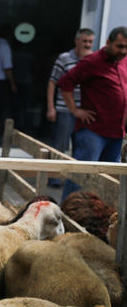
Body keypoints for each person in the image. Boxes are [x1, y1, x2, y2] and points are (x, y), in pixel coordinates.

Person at [58, 26, 127, 202]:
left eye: (126, 47)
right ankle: (67, 216)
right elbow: (65, 83)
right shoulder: (92, 62)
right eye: (119, 46)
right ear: (108, 42)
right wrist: (75, 110)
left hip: (117, 132)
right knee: (81, 177)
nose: (123, 51)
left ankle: (101, 221)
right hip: (93, 131)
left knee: (110, 180)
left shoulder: (124, 60)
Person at [45, 28, 95, 187]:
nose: (87, 44)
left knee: (81, 146)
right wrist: (51, 107)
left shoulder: (94, 60)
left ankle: (74, 180)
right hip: (65, 109)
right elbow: (53, 82)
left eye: (90, 42)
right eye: (84, 41)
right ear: (77, 41)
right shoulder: (65, 58)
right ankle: (54, 178)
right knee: (60, 145)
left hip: (85, 111)